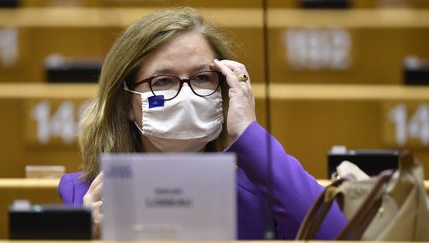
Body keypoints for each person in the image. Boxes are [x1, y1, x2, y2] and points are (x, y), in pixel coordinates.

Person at [58, 7, 346, 240]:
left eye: (201, 78)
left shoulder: (261, 192)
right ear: (126, 106)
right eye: (163, 81)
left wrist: (248, 133)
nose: (186, 95)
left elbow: (337, 235)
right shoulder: (86, 196)